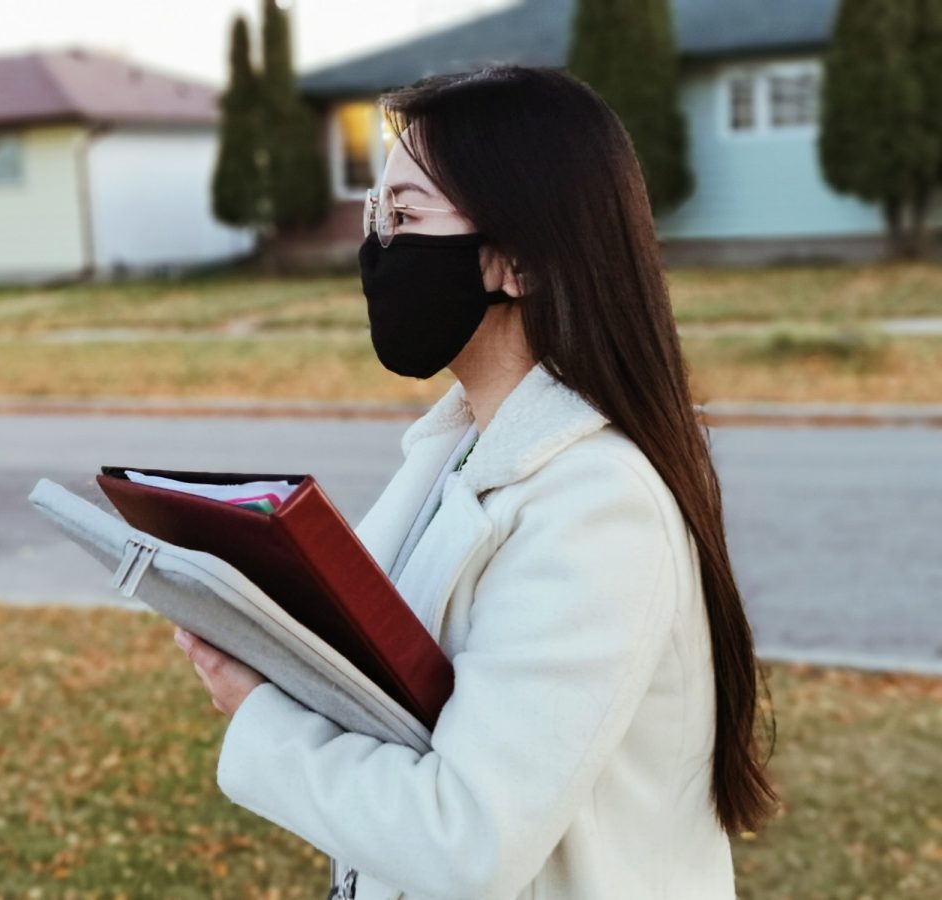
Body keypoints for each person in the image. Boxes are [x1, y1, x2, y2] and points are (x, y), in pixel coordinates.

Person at [171, 64, 779, 900]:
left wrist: (262, 713)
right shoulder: (454, 450)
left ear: (518, 260)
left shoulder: (598, 507)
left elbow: (466, 837)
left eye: (407, 214)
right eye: (376, 213)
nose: (379, 246)